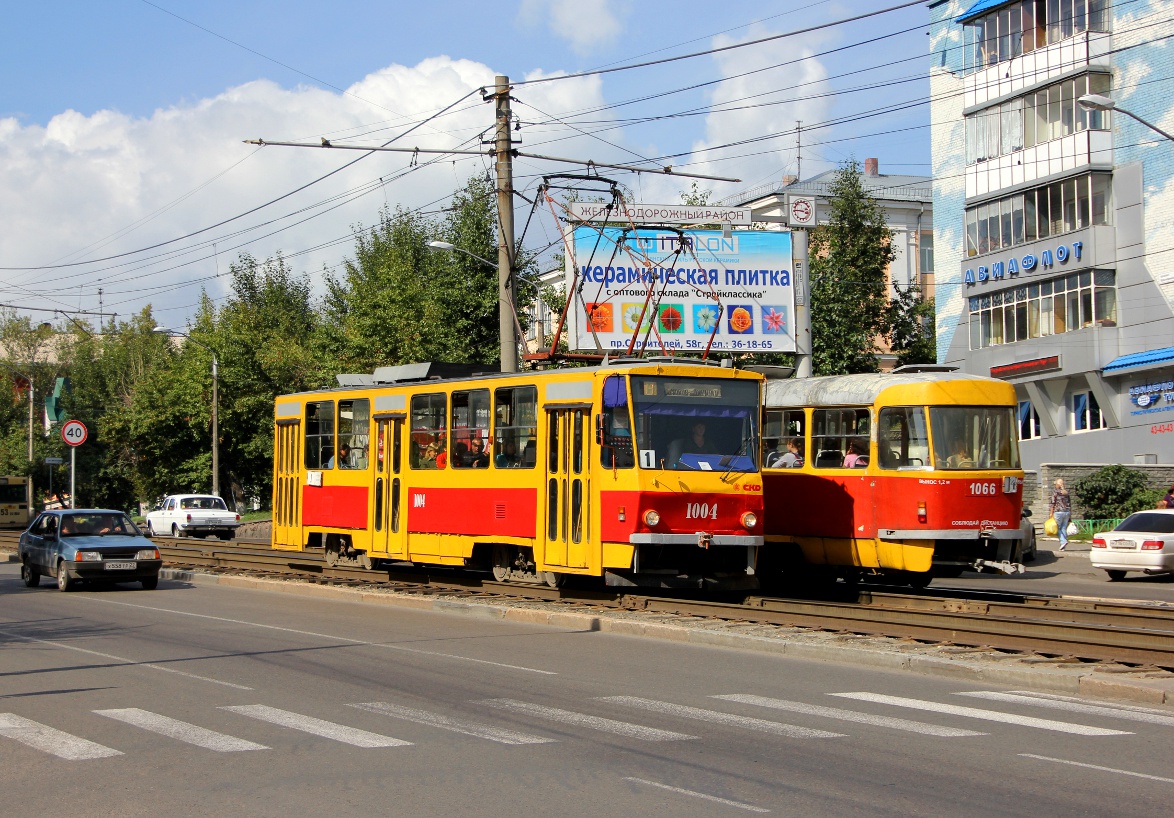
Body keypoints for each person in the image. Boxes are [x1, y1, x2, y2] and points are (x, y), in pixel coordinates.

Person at [1050, 477, 1072, 551]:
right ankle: (1063, 546)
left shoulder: (1055, 491)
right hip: (1067, 511)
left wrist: (1051, 513)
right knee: (1063, 528)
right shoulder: (1066, 492)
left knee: (1057, 528)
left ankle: (1063, 541)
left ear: (1057, 484)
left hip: (1058, 511)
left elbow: (1053, 502)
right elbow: (1069, 503)